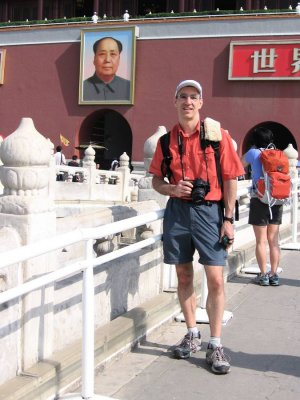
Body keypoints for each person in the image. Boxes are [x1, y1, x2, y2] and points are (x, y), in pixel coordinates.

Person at [149, 79, 244, 374]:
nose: (188, 102)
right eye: (183, 97)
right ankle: (192, 333)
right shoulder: (165, 141)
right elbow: (155, 180)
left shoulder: (218, 136)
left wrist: (228, 219)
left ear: (201, 103)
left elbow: (230, 178)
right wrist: (172, 190)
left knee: (215, 278)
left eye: (194, 97)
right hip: (178, 211)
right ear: (175, 102)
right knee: (183, 274)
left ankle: (215, 344)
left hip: (210, 212)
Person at [242, 127, 282, 286]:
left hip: (259, 198)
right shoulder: (280, 153)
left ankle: (264, 275)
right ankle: (274, 275)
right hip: (276, 199)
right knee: (274, 241)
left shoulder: (253, 153)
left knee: (261, 241)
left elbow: (238, 166)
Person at [83, 37, 130, 101]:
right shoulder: (82, 89)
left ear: (119, 59)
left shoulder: (129, 87)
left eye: (113, 54)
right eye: (102, 54)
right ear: (94, 59)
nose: (107, 60)